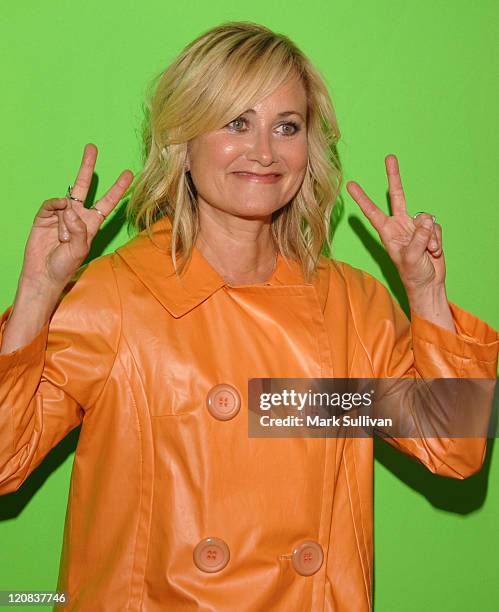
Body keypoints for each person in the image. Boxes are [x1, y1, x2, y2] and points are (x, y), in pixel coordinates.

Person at [0, 20, 497, 612]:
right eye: (237, 123)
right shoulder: (117, 297)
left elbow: (454, 450)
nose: (264, 152)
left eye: (286, 127)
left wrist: (426, 294)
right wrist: (37, 292)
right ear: (182, 142)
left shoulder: (348, 305)